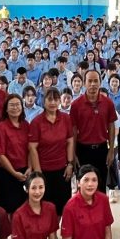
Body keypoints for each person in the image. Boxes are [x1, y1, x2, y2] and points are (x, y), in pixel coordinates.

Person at [29, 88, 75, 216]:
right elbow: (32, 148)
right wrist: (38, 173)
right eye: (49, 99)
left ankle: (56, 229)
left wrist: (70, 164)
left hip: (62, 170)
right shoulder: (36, 122)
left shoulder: (65, 118)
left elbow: (70, 141)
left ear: (60, 101)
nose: (53, 102)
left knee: (62, 206)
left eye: (56, 99)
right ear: (43, 101)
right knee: (45, 207)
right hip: (44, 171)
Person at [70, 69, 118, 192]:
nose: (93, 84)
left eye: (96, 81)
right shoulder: (76, 105)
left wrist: (111, 151)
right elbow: (73, 131)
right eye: (90, 81)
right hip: (82, 150)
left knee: (100, 187)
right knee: (84, 187)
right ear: (84, 83)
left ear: (100, 83)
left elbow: (111, 127)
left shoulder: (108, 103)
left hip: (101, 150)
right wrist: (73, 153)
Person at [0, 94, 31, 214]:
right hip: (7, 173)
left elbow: (31, 149)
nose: (15, 107)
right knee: (9, 208)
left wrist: (30, 167)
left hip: (25, 172)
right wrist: (14, 173)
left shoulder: (26, 125)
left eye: (18, 104)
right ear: (6, 109)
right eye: (12, 105)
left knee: (24, 206)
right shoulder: (1, 127)